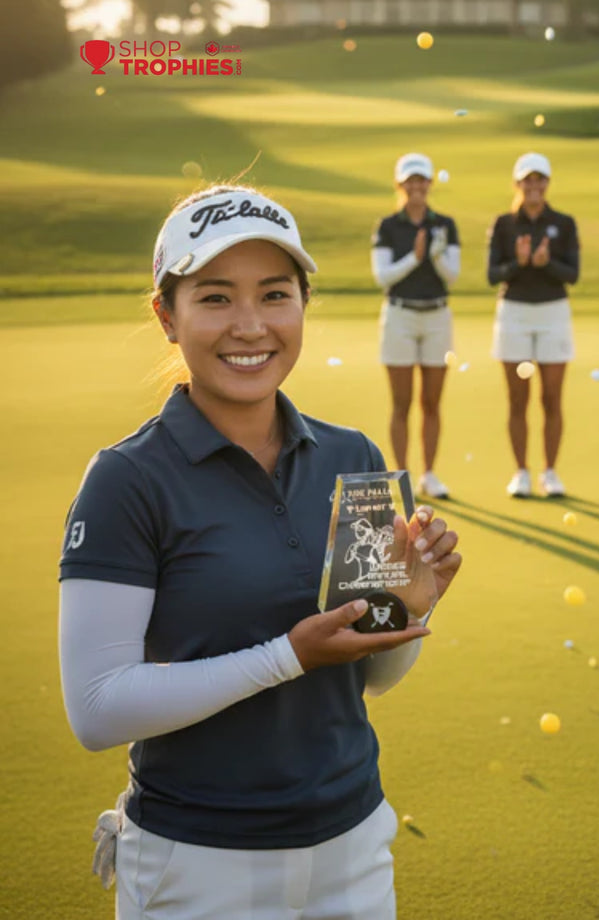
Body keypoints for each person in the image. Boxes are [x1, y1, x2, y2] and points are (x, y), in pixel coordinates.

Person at [58, 184, 462, 920]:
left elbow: (372, 675)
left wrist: (412, 605)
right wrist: (289, 656)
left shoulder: (353, 454)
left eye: (275, 294)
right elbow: (96, 708)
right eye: (215, 298)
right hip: (197, 864)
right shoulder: (126, 479)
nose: (250, 326)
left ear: (303, 304)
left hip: (354, 846)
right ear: (166, 317)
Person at [488, 152, 580, 498]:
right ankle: (522, 472)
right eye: (528, 180)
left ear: (547, 183)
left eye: (539, 179)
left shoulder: (564, 223)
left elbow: (572, 274)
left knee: (552, 397)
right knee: (517, 398)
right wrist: (520, 262)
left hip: (553, 311)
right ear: (518, 184)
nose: (534, 186)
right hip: (514, 312)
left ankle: (551, 472)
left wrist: (546, 263)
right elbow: (492, 274)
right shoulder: (504, 224)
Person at [371, 153, 460, 499]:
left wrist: (436, 255)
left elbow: (452, 275)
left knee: (432, 401)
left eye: (422, 180)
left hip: (437, 315)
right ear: (400, 185)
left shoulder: (445, 225)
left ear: (429, 183)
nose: (417, 186)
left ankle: (430, 474)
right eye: (410, 181)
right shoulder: (388, 226)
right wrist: (416, 257)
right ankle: (403, 475)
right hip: (400, 315)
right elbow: (383, 276)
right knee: (401, 401)